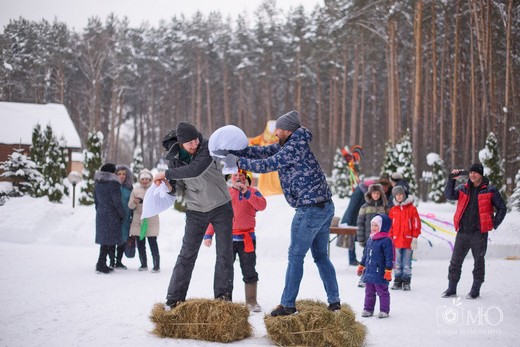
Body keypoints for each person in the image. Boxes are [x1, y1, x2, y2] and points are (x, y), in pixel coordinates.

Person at [225, 110, 341, 316]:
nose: (275, 132)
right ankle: (334, 302)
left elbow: (268, 164)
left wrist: (238, 163)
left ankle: (288, 305)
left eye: (277, 128)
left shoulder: (295, 147)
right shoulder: (292, 143)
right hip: (323, 206)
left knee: (296, 256)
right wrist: (237, 152)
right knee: (321, 256)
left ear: (287, 129)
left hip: (310, 209)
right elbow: (264, 153)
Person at [154, 121, 234, 308]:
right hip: (196, 210)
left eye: (195, 140)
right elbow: (179, 189)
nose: (194, 144)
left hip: (221, 206)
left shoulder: (207, 147)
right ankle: (173, 300)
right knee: (187, 255)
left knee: (224, 254)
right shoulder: (175, 159)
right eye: (189, 143)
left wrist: (166, 173)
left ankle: (223, 300)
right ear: (181, 143)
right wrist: (169, 185)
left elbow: (196, 169)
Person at [203, 169, 266, 312]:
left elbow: (261, 205)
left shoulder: (253, 192)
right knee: (224, 269)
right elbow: (216, 216)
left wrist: (247, 193)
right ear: (230, 178)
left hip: (246, 239)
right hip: (227, 239)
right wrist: (208, 234)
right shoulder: (224, 193)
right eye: (235, 175)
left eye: (242, 176)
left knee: (249, 269)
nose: (238, 178)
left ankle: (251, 301)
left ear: (247, 178)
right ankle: (223, 300)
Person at [441, 163, 506, 299]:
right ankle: (451, 288)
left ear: (481, 175)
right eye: (470, 172)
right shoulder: (463, 189)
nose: (472, 175)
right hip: (463, 232)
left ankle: (475, 290)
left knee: (478, 263)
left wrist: (493, 223)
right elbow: (449, 195)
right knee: (455, 262)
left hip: (479, 234)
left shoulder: (490, 190)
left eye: (475, 173)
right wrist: (451, 179)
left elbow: (502, 208)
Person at [357, 214, 394, 318]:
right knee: (369, 292)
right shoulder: (370, 239)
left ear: (383, 226)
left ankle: (384, 310)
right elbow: (365, 254)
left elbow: (389, 257)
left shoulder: (386, 240)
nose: (373, 228)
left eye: (376, 225)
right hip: (369, 271)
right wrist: (361, 265)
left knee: (382, 292)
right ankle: (368, 309)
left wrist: (388, 270)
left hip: (380, 272)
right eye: (372, 225)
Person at [388, 185, 421, 290]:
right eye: (396, 195)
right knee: (397, 262)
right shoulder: (393, 210)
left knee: (406, 262)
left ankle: (406, 281)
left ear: (404, 195)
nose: (399, 197)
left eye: (400, 194)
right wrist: (390, 237)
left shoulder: (412, 209)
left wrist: (414, 237)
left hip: (408, 240)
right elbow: (390, 226)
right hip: (396, 240)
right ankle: (397, 280)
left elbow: (416, 223)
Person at [94, 163, 125, 274]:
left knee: (105, 241)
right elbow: (117, 202)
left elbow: (96, 202)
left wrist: (100, 211)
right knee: (108, 241)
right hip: (112, 215)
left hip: (101, 214)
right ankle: (101, 264)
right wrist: (123, 214)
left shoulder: (98, 183)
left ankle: (101, 262)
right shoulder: (113, 184)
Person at [356, 183, 389, 287]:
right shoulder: (364, 207)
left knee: (379, 259)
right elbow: (360, 224)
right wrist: (361, 238)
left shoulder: (384, 207)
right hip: (368, 239)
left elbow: (387, 223)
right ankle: (363, 277)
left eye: (378, 193)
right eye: (374, 193)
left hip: (381, 240)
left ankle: (377, 279)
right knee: (366, 258)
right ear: (370, 194)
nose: (376, 195)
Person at [128, 169, 161, 272]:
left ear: (150, 179)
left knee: (153, 243)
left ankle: (156, 265)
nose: (145, 181)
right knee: (141, 244)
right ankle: (143, 264)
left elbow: (160, 204)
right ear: (139, 179)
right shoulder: (135, 190)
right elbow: (130, 206)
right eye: (143, 179)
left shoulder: (155, 189)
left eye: (147, 179)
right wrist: (135, 202)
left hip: (152, 220)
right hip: (138, 220)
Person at [339, 179, 375, 266]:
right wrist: (349, 221)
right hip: (352, 218)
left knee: (355, 238)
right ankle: (352, 259)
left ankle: (354, 259)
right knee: (351, 238)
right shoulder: (359, 192)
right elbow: (353, 207)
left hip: (356, 217)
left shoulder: (362, 191)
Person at [108, 165, 133, 270]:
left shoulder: (129, 188)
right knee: (112, 240)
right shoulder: (112, 186)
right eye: (119, 174)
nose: (122, 176)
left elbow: (131, 203)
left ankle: (119, 261)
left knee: (123, 240)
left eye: (124, 174)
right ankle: (111, 261)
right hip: (114, 218)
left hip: (126, 218)